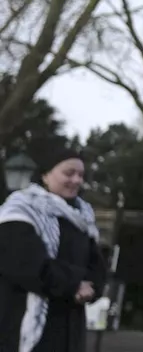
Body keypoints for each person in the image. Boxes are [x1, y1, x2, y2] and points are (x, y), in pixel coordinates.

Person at [0, 147, 105, 352]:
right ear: (45, 175)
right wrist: (74, 285)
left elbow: (97, 267)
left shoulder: (83, 218)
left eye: (80, 175)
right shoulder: (18, 212)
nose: (76, 180)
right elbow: (25, 265)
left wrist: (92, 289)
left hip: (70, 327)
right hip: (21, 324)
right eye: (69, 173)